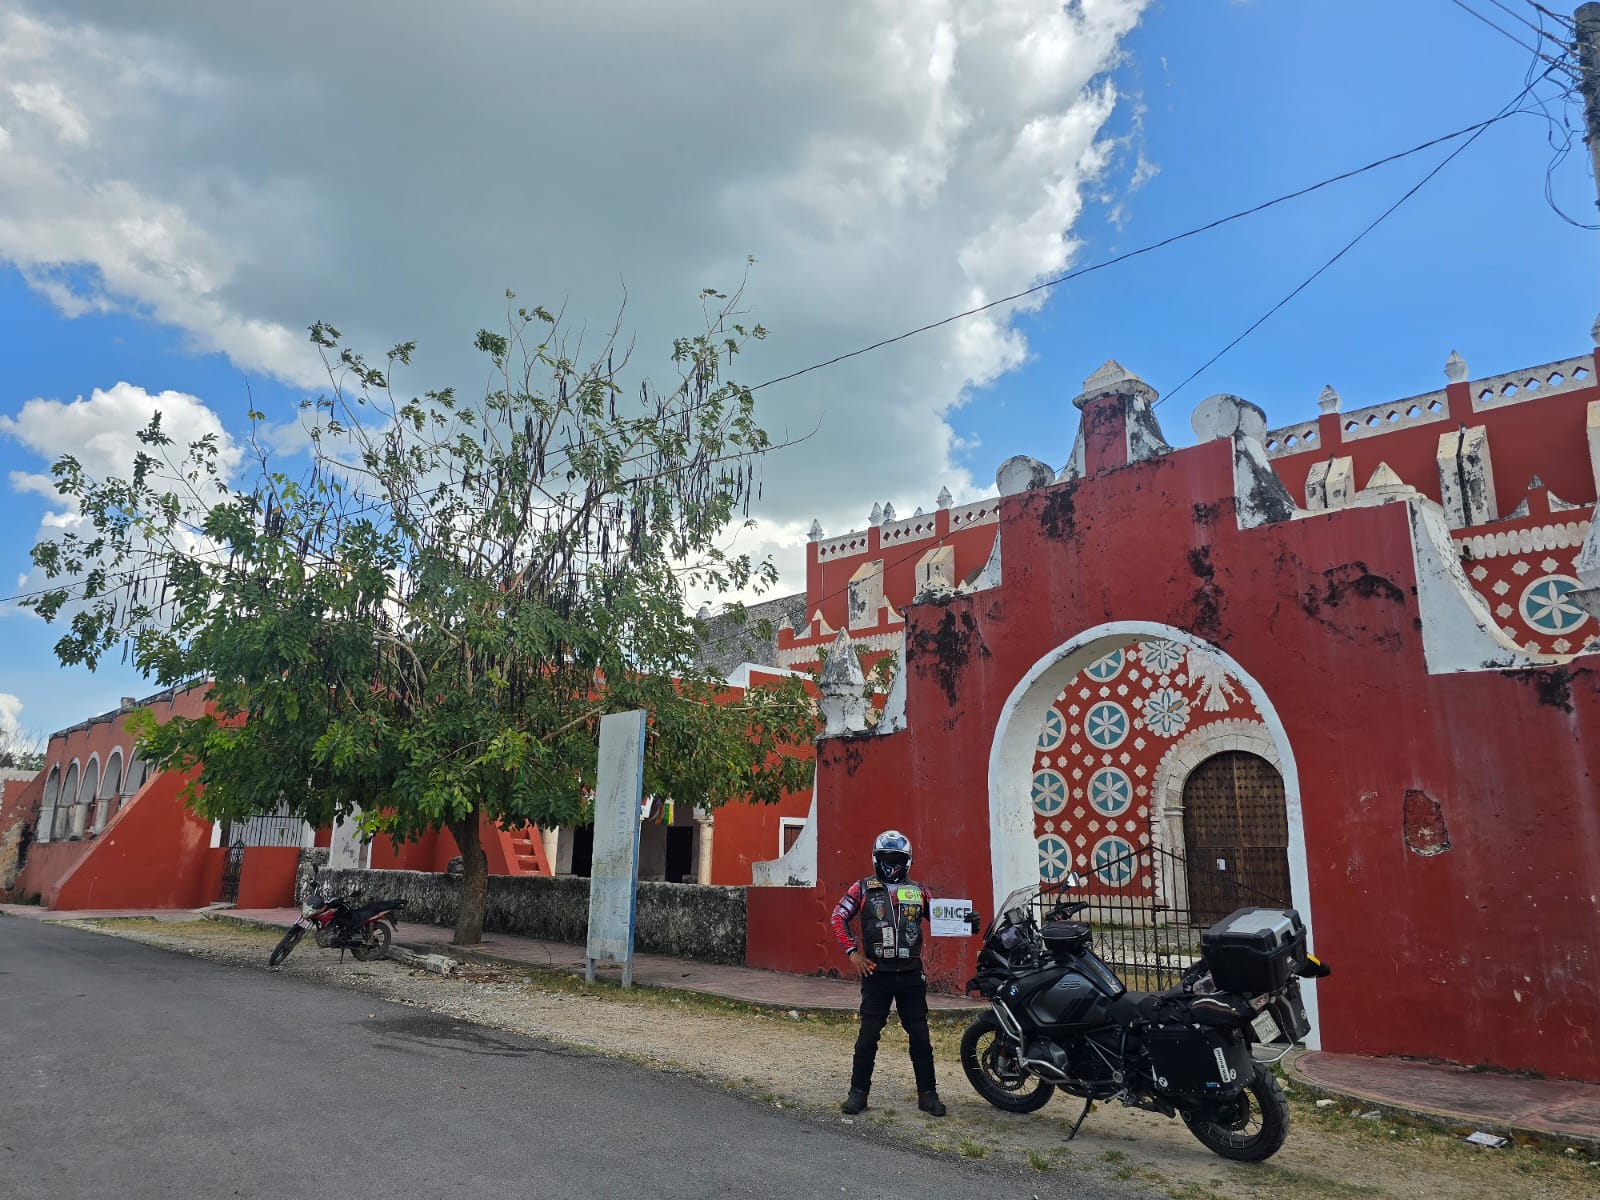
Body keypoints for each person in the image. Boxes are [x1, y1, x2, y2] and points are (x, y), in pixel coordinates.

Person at [829, 829, 946, 1117]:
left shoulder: (919, 891)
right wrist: (852, 953)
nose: (892, 864)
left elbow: (942, 918)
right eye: (886, 858)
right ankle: (858, 1093)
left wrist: (968, 921)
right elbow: (838, 917)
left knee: (920, 1035)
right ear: (875, 858)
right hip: (876, 973)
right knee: (868, 1035)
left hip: (910, 973)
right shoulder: (861, 888)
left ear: (908, 861)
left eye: (897, 858)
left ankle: (928, 1094)